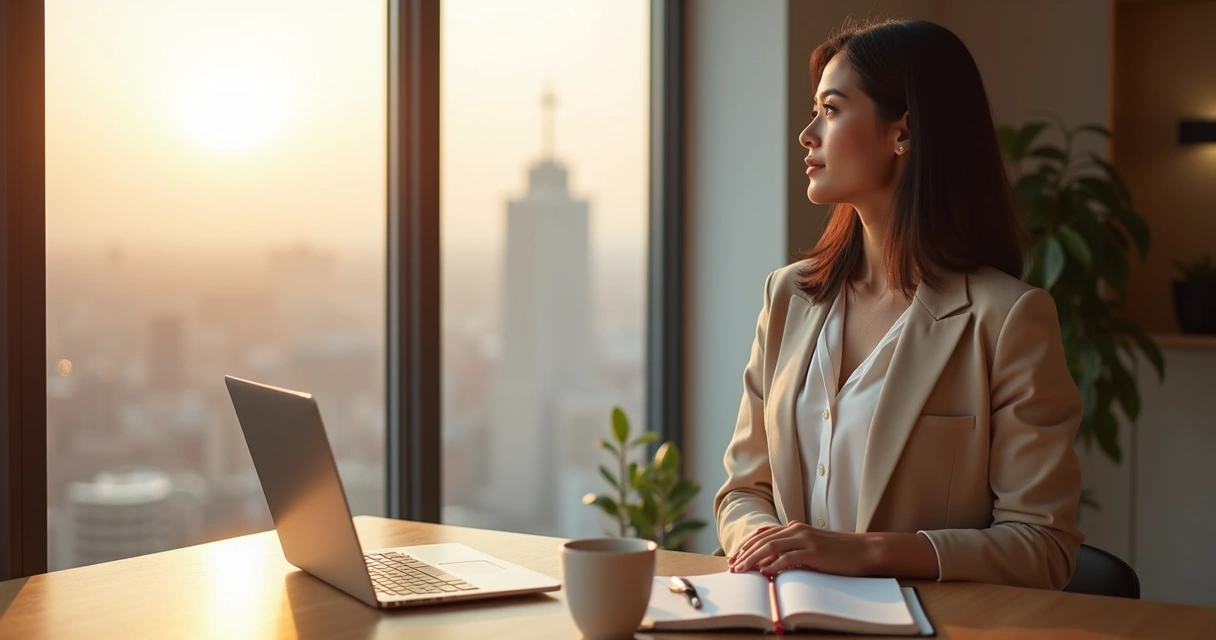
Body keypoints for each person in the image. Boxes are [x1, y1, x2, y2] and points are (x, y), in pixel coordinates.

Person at [715, 18, 1084, 590]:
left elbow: (1041, 545)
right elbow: (744, 490)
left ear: (903, 133)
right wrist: (766, 551)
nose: (807, 134)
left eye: (832, 110)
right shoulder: (788, 296)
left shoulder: (1006, 319)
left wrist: (864, 554)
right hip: (784, 615)